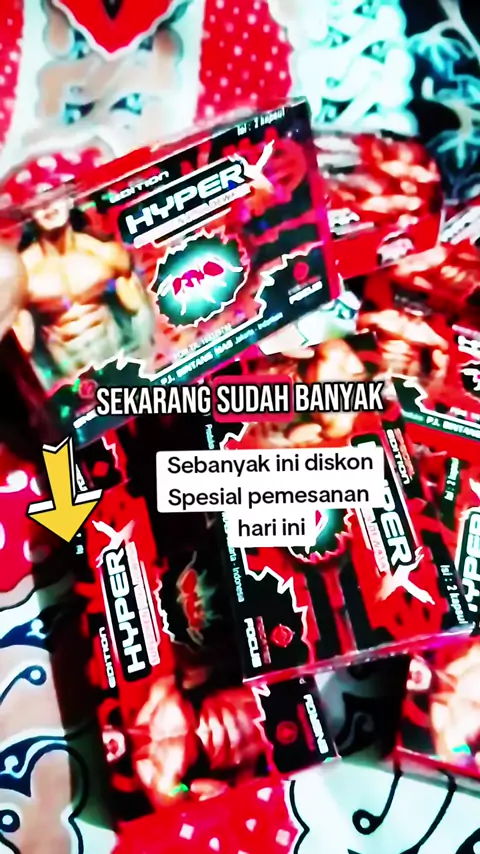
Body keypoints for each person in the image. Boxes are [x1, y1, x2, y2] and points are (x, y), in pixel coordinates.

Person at [13, 196, 155, 385]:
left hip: (117, 358)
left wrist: (145, 368)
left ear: (69, 198)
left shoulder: (105, 253)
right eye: (36, 202)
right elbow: (22, 353)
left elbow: (140, 314)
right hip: (68, 375)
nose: (47, 206)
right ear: (27, 212)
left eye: (53, 195)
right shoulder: (21, 274)